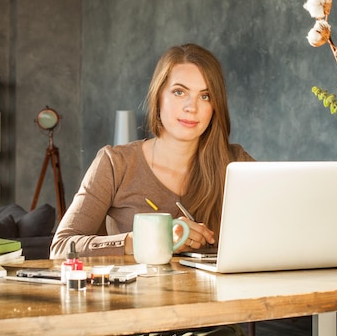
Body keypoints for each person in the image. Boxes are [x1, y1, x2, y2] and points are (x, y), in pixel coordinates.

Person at [50, 43, 254, 260]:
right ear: (158, 96)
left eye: (205, 96)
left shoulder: (237, 163)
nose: (191, 107)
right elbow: (62, 247)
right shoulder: (115, 164)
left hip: (222, 294)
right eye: (179, 92)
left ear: (215, 107)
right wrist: (147, 238)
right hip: (138, 293)